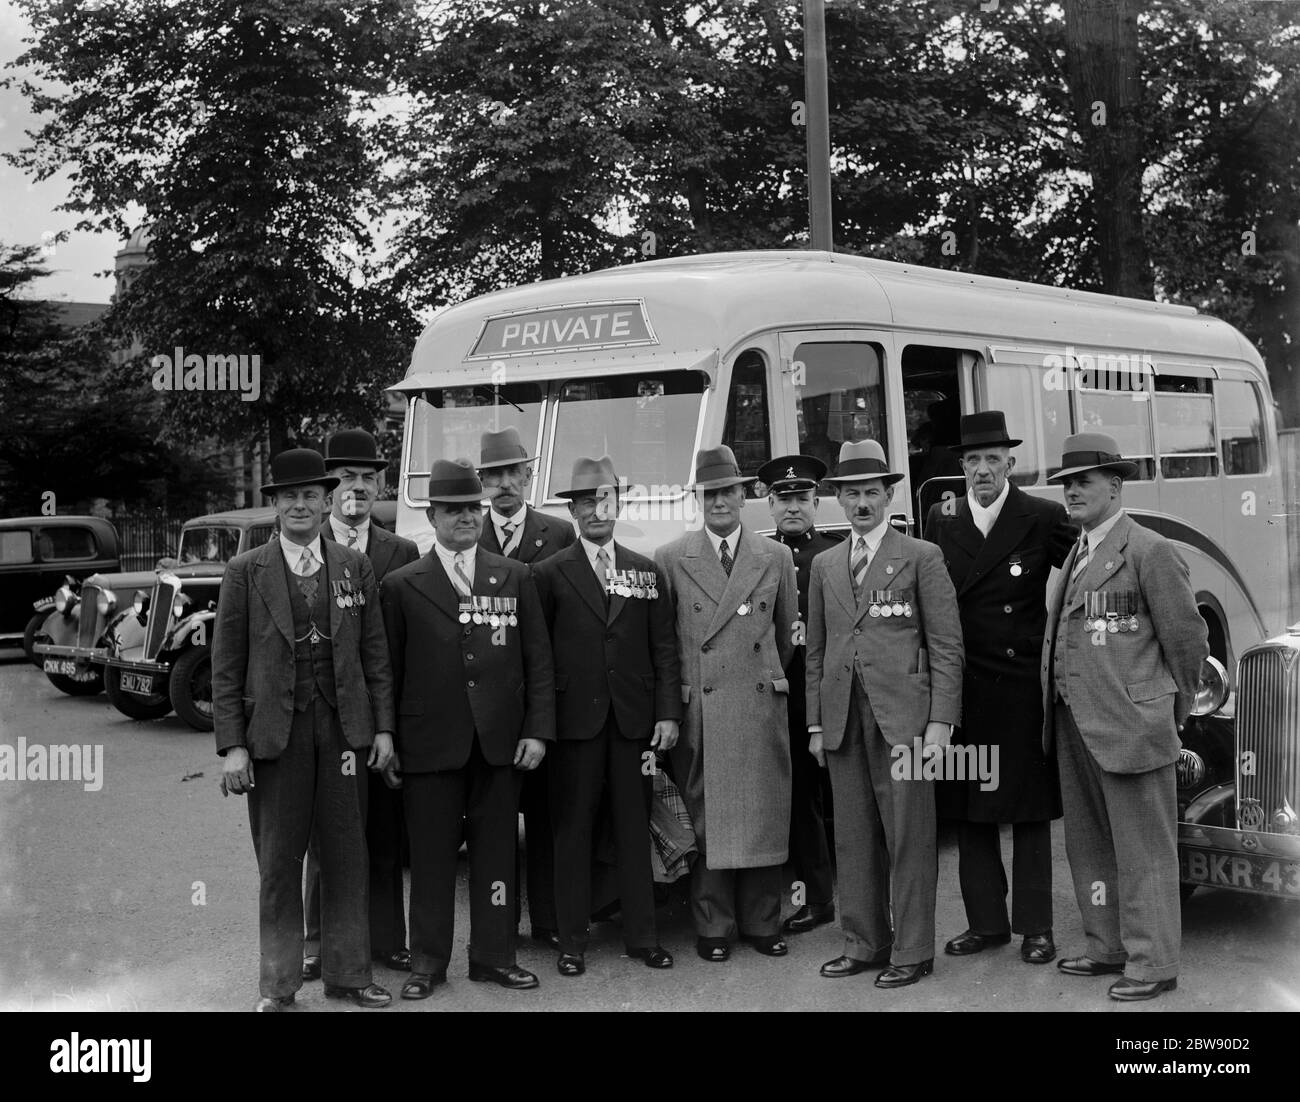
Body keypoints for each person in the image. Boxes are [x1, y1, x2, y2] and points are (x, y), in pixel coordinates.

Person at [212, 448, 395, 1012]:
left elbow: (374, 656)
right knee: (279, 866)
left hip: (345, 733)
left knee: (346, 857)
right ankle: (278, 986)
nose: (300, 505)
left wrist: (382, 731)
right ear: (275, 505)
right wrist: (233, 746)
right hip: (274, 737)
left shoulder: (352, 566)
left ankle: (348, 975)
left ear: (326, 501)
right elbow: (225, 665)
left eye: (310, 495)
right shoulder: (247, 572)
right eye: (289, 496)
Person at [1041, 433, 1208, 1002]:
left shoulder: (1149, 550)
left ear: (1115, 486)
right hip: (1075, 723)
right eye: (1066, 484)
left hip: (1132, 726)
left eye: (1083, 482)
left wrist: (1170, 711)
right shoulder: (1078, 550)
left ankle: (1154, 962)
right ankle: (1106, 945)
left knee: (1144, 852)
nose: (1072, 493)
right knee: (1089, 845)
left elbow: (1187, 642)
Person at [382, 457, 555, 996]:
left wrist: (536, 730)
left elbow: (538, 662)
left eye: (470, 509)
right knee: (431, 859)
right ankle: (428, 964)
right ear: (431, 516)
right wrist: (388, 739)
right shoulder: (402, 585)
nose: (463, 519)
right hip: (429, 744)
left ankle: (494, 957)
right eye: (451, 510)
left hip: (500, 741)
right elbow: (386, 670)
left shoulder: (515, 576)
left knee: (498, 855)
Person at [805, 439, 963, 988]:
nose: (862, 502)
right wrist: (816, 725)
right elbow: (818, 652)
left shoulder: (921, 556)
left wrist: (941, 724)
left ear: (890, 494)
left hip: (908, 723)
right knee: (852, 837)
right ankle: (864, 943)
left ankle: (913, 950)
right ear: (839, 501)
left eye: (872, 491)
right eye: (852, 494)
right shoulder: (826, 564)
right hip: (844, 717)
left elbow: (946, 645)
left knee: (910, 837)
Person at [922, 411, 1075, 966]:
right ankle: (985, 923)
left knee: (1029, 810)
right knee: (968, 810)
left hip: (1019, 685)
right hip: (964, 685)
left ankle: (1037, 926)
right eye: (972, 461)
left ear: (1010, 463)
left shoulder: (1042, 516)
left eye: (993, 459)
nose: (982, 470)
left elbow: (1083, 575)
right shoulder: (943, 522)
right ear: (960, 467)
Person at [532, 456, 680, 976]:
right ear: (572, 511)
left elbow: (664, 648)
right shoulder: (548, 574)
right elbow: (540, 657)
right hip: (575, 726)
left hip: (634, 725)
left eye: (606, 499)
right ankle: (572, 941)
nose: (597, 509)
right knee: (572, 830)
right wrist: (543, 727)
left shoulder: (645, 570)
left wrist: (667, 714)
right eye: (586, 502)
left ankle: (643, 937)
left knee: (634, 827)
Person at [653, 445, 799, 963]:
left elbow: (784, 637)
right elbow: (666, 643)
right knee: (705, 815)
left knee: (763, 811)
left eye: (728, 491)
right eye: (710, 493)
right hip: (703, 710)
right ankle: (713, 925)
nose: (720, 502)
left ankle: (763, 921)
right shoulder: (671, 557)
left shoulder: (775, 556)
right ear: (698, 498)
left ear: (744, 494)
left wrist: (762, 676)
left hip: (757, 703)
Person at [301, 429, 420, 981]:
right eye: (346, 478)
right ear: (330, 489)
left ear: (381, 486)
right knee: (328, 838)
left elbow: (399, 648)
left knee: (384, 834)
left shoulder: (402, 552)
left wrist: (392, 727)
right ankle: (316, 942)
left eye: (368, 478)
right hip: (326, 719)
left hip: (384, 719)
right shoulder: (306, 545)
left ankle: (387, 940)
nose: (358, 487)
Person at [476, 425, 575, 950]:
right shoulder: (469, 534)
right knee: (493, 823)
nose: (505, 484)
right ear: (482, 481)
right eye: (494, 475)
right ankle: (500, 926)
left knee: (544, 816)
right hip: (488, 702)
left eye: (514, 472)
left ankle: (549, 921)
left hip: (543, 698)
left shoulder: (557, 534)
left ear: (530, 474)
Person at [756, 453, 842, 935]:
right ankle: (813, 895)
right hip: (777, 693)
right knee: (796, 800)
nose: (793, 508)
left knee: (844, 798)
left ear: (816, 502)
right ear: (769, 505)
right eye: (782, 499)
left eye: (802, 499)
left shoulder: (835, 553)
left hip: (826, 691)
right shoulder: (759, 557)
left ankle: (852, 891)